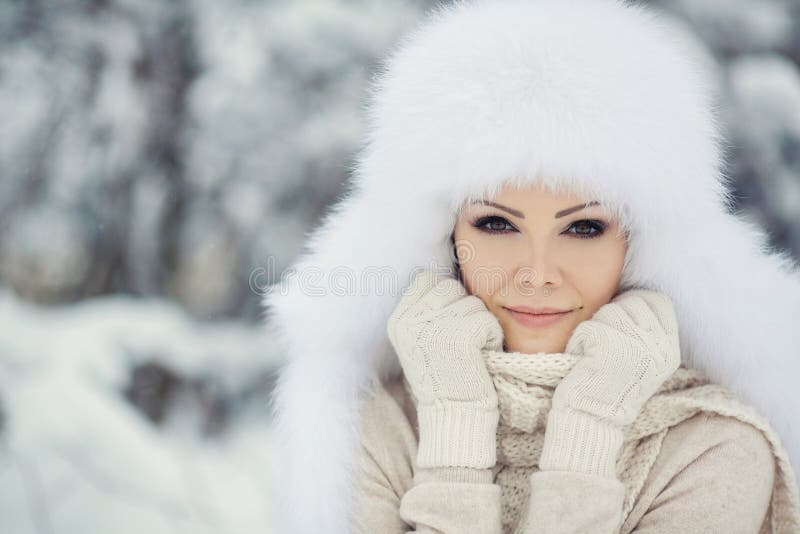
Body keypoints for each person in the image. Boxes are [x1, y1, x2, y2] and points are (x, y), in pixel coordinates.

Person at [263, 0, 800, 533]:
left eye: (584, 228)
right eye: (497, 225)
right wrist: (454, 421)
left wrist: (588, 428)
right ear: (443, 237)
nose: (537, 272)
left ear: (641, 245)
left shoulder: (712, 448)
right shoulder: (370, 432)